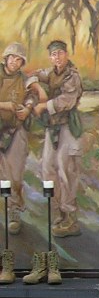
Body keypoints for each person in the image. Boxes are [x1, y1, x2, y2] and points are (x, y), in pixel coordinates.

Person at [30, 40, 84, 237]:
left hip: (68, 127)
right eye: (53, 55)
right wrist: (38, 87)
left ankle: (71, 219)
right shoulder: (50, 73)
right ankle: (59, 212)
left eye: (60, 53)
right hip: (52, 127)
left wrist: (44, 105)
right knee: (48, 170)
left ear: (67, 54)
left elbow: (67, 101)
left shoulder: (73, 76)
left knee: (67, 171)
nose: (57, 58)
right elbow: (32, 76)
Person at [0, 42, 39, 237]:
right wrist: (4, 105)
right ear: (5, 58)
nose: (14, 62)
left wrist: (28, 108)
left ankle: (14, 210)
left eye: (19, 59)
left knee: (14, 174)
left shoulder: (24, 79)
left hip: (15, 130)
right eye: (12, 58)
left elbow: (32, 94)